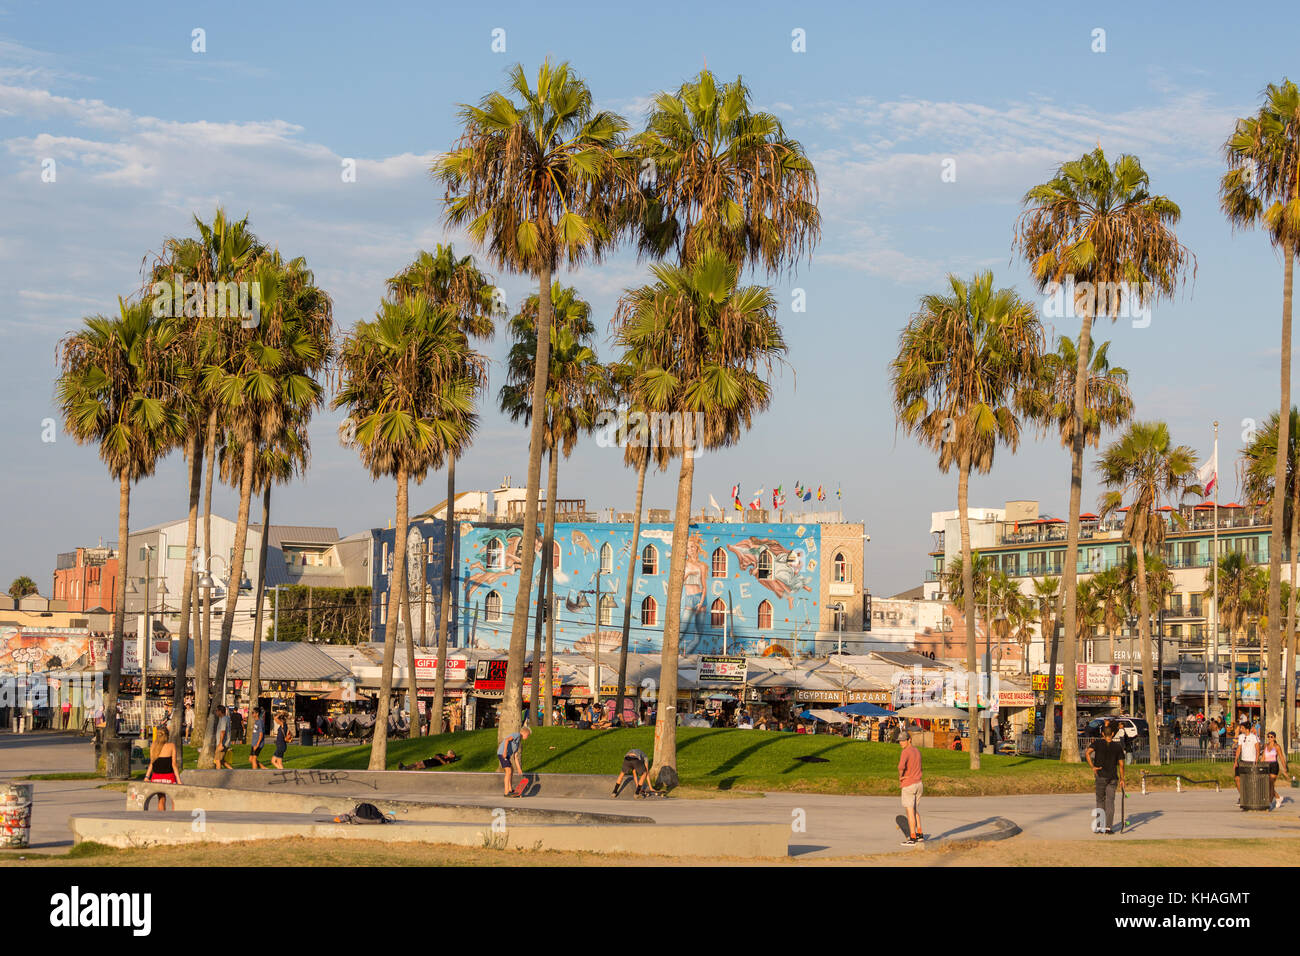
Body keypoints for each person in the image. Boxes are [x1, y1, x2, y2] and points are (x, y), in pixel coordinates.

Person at [1085, 720, 1125, 834]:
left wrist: (1092, 766)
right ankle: (1108, 827)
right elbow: (1121, 765)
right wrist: (1122, 779)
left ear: (1103, 734)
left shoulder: (1097, 743)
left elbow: (1087, 753)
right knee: (1110, 801)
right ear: (1112, 734)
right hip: (1112, 777)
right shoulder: (1117, 747)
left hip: (1100, 775)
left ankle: (1099, 826)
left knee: (1100, 800)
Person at [898, 730, 924, 845]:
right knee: (914, 810)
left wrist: (901, 777)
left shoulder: (905, 752)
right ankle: (920, 834)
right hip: (919, 783)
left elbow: (901, 766)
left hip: (909, 784)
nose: (901, 743)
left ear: (909, 740)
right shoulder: (917, 751)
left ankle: (912, 837)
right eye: (900, 741)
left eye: (903, 740)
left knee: (909, 811)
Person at [145, 725, 182, 799]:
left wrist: (147, 777)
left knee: (161, 800)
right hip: (169, 777)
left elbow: (152, 763)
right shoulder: (171, 746)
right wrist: (178, 780)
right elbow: (174, 764)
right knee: (174, 799)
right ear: (167, 736)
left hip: (156, 778)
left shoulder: (153, 746)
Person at [1233, 720, 1261, 805]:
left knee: (1249, 781)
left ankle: (1250, 797)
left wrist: (1256, 760)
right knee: (1237, 778)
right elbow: (1239, 749)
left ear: (1247, 729)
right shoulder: (1241, 737)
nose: (1241, 729)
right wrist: (1236, 761)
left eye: (1242, 728)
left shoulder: (1254, 737)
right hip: (1242, 761)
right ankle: (1243, 796)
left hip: (1251, 761)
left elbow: (1258, 749)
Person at [498, 725, 531, 797]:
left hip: (506, 755)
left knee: (511, 770)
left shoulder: (518, 742)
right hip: (502, 753)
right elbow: (507, 740)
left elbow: (515, 757)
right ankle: (506, 792)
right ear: (525, 733)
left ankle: (510, 789)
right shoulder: (517, 735)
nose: (527, 737)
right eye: (527, 735)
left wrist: (519, 769)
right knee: (508, 771)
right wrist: (504, 752)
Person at [1263, 731, 1289, 809]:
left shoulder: (1277, 746)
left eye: (1271, 737)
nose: (1270, 738)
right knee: (1268, 785)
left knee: (1271, 784)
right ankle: (1278, 797)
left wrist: (1285, 768)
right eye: (1268, 737)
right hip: (1267, 765)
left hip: (1274, 765)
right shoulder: (1266, 746)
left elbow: (1281, 757)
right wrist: (1258, 764)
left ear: (1274, 738)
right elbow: (1263, 757)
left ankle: (1270, 802)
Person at [214, 705, 234, 769]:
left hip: (223, 743)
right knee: (222, 761)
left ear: (220, 711)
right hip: (225, 743)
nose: (216, 712)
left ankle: (218, 776)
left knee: (217, 760)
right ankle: (232, 771)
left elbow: (223, 731)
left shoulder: (223, 719)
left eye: (217, 711)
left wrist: (220, 743)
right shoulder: (226, 718)